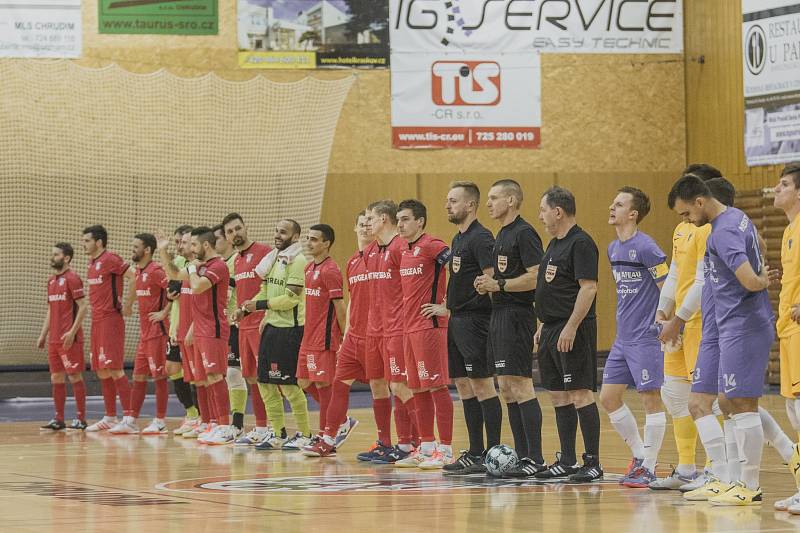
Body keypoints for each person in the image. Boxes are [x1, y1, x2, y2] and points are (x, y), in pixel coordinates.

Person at [668, 175, 774, 505]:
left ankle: (749, 484)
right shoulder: (735, 219)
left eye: (686, 214)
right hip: (726, 327)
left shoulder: (724, 230)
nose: (686, 221)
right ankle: (728, 479)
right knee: (718, 403)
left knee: (742, 404)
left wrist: (760, 282)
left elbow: (748, 279)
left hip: (742, 325)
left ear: (700, 202)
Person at [651, 165, 722, 490]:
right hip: (678, 323)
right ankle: (687, 468)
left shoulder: (711, 229)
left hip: (701, 322)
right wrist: (663, 310)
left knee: (707, 397)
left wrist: (680, 316)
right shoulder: (682, 229)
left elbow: (704, 279)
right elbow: (677, 272)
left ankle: (715, 469)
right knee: (674, 393)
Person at [475, 179, 545, 478]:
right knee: (505, 387)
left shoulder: (524, 233)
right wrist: (486, 286)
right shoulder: (502, 233)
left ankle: (536, 458)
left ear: (512, 201)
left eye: (494, 198)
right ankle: (520, 454)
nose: (488, 203)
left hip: (517, 315)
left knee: (520, 384)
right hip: (499, 314)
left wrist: (500, 284)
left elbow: (536, 277)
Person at [599, 187, 668, 488]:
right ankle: (640, 456)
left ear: (633, 213)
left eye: (619, 204)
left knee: (650, 399)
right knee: (609, 398)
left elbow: (668, 286)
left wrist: (664, 321)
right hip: (622, 338)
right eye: (612, 203)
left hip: (645, 338)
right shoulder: (613, 248)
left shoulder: (647, 247)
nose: (611, 207)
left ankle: (649, 467)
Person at [534, 186, 603, 482]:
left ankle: (593, 461)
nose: (540, 216)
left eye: (543, 210)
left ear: (558, 211)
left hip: (572, 329)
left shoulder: (581, 243)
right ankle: (568, 459)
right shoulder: (553, 244)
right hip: (551, 329)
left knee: (579, 393)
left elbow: (589, 288)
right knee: (559, 396)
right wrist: (542, 326)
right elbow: (551, 290)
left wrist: (571, 326)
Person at [436, 182, 501, 475]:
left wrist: (473, 305)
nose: (448, 205)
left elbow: (491, 280)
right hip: (457, 320)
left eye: (453, 201)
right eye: (448, 201)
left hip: (476, 321)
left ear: (470, 205)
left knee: (482, 385)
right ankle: (475, 451)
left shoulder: (482, 238)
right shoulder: (458, 238)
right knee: (463, 385)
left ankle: (493, 451)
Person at [304, 212, 373, 457]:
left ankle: (414, 442)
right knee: (306, 381)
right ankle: (334, 428)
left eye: (315, 239)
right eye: (361, 223)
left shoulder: (332, 269)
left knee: (388, 387)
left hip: (340, 337)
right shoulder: (350, 262)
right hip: (317, 336)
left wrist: (343, 333)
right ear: (354, 227)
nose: (310, 243)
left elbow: (340, 306)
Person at [159, 226, 234, 445]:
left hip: (213, 329)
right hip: (201, 329)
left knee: (215, 376)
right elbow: (173, 274)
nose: (190, 249)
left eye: (193, 244)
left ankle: (224, 426)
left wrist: (192, 269)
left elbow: (199, 286)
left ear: (205, 245)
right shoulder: (200, 266)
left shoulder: (217, 266)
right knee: (206, 378)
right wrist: (163, 251)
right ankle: (212, 423)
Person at [394, 199, 454, 469]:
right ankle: (427, 446)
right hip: (409, 329)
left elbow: (460, 268)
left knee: (437, 386)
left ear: (420, 221)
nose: (400, 224)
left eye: (405, 219)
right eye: (398, 219)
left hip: (429, 328)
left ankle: (447, 449)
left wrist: (448, 306)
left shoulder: (433, 245)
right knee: (417, 387)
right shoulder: (405, 251)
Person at [357, 200, 418, 464]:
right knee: (378, 385)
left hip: (397, 329)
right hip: (374, 330)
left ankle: (419, 443)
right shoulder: (371, 251)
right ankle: (387, 443)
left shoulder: (400, 247)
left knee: (400, 385)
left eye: (370, 218)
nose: (366, 223)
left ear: (383, 219)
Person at [243, 219, 311, 451]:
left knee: (289, 385)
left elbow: (291, 298)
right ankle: (279, 432)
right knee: (264, 382)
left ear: (295, 237)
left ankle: (305, 434)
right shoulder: (274, 259)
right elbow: (266, 288)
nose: (278, 235)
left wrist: (260, 305)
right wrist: (248, 308)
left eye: (283, 232)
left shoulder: (298, 260)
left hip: (290, 331)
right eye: (276, 231)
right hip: (271, 328)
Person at [110, 233, 171, 435]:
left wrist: (164, 312)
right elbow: (135, 288)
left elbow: (175, 288)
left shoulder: (156, 271)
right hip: (145, 335)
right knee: (138, 376)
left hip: (158, 333)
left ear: (147, 250)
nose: (132, 249)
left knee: (159, 377)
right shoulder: (138, 271)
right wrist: (127, 305)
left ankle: (160, 421)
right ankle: (131, 420)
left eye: (136, 246)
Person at [223, 213, 273, 446]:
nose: (235, 234)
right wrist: (239, 313)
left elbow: (273, 285)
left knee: (270, 379)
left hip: (263, 324)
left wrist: (270, 313)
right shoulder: (236, 260)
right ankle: (261, 427)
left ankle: (277, 428)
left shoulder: (265, 252)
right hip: (243, 326)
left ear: (246, 227)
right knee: (251, 377)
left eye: (238, 228)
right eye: (230, 231)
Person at [82, 225, 133, 432]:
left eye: (87, 240)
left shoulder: (111, 259)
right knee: (102, 370)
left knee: (115, 368)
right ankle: (110, 416)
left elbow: (134, 276)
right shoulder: (92, 263)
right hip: (96, 321)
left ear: (99, 242)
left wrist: (128, 304)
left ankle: (130, 418)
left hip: (111, 320)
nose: (84, 244)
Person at [37, 242, 88, 431]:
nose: (53, 257)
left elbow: (83, 307)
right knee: (56, 378)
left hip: (69, 339)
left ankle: (81, 419)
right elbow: (51, 310)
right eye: (53, 254)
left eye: (56, 254)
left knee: (74, 376)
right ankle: (58, 419)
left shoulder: (73, 278)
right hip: (54, 340)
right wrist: (43, 334)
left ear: (66, 258)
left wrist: (72, 332)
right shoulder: (51, 281)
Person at [167, 226, 200, 435]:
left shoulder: (198, 267)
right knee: (174, 370)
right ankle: (192, 413)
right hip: (177, 324)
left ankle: (203, 418)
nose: (179, 246)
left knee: (199, 376)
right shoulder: (179, 264)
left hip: (193, 327)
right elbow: (172, 292)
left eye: (183, 241)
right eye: (177, 242)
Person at [213, 224, 244, 439]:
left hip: (240, 324)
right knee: (231, 374)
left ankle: (239, 423)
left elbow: (227, 295)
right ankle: (233, 423)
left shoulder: (234, 262)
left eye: (217, 239)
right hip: (228, 325)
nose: (215, 243)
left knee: (237, 374)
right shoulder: (222, 263)